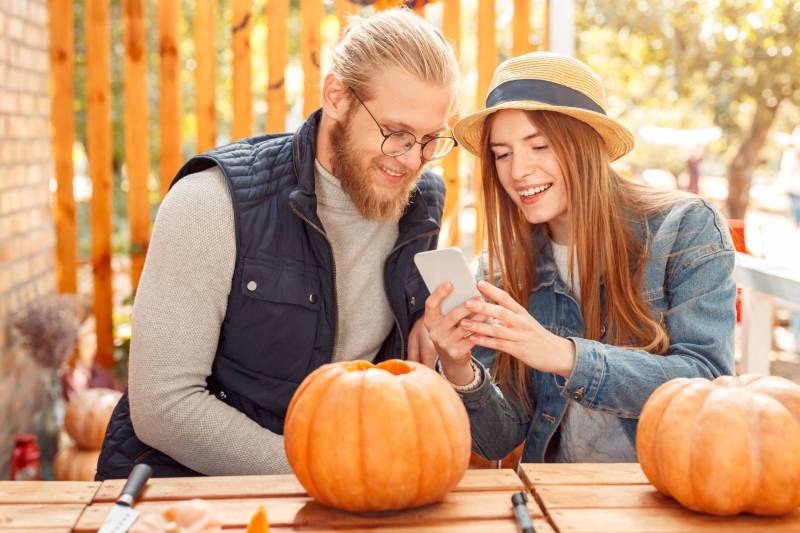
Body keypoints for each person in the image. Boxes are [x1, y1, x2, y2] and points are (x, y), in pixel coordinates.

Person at [96, 8, 459, 479]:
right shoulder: (212, 200)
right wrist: (325, 473)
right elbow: (165, 405)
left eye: (431, 139)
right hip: (186, 491)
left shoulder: (421, 204)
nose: (413, 160)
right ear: (337, 97)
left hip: (342, 489)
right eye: (396, 134)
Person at [423, 52, 737, 463]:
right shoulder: (502, 270)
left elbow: (707, 381)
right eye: (502, 153)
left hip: (664, 493)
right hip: (558, 501)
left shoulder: (685, 228)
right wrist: (458, 366)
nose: (518, 171)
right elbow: (498, 439)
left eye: (540, 145)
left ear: (586, 146)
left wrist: (564, 356)